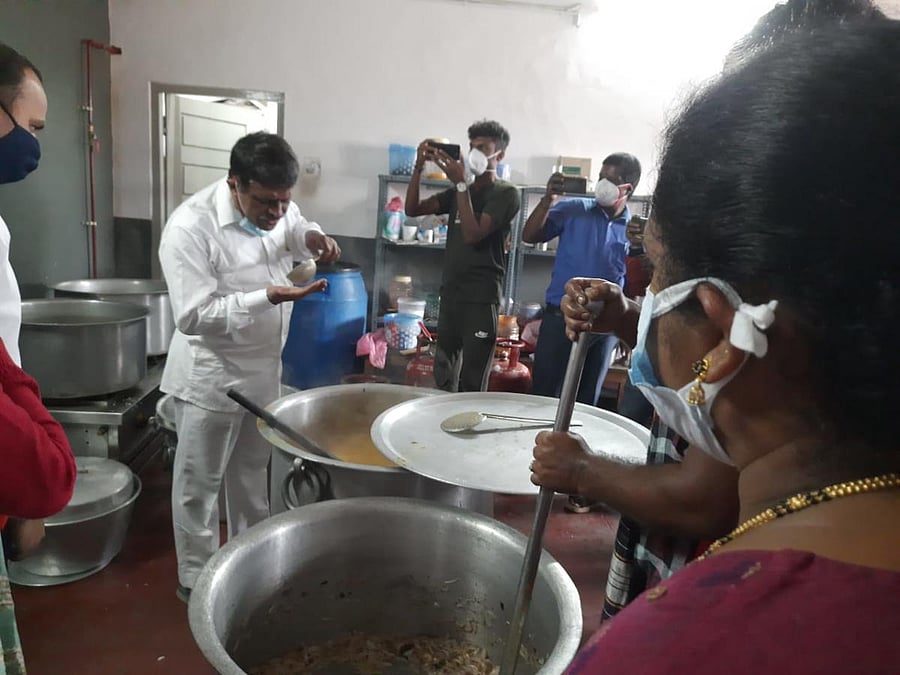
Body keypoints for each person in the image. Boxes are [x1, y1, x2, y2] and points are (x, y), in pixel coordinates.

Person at [557, 21, 900, 672]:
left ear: (725, 336)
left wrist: (579, 470)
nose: (646, 293)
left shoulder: (673, 649)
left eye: (655, 269)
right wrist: (633, 317)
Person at [159, 132, 341, 602]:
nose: (276, 212)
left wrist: (309, 236)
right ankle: (196, 582)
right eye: (265, 202)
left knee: (251, 473)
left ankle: (247, 565)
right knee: (199, 483)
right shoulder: (190, 229)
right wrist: (269, 296)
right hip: (211, 376)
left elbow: (295, 225)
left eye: (284, 201)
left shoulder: (280, 210)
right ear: (234, 183)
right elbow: (193, 316)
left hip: (261, 371)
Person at [523, 153, 641, 514]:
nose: (602, 183)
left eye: (612, 177)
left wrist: (626, 330)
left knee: (588, 403)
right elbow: (530, 236)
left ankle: (577, 483)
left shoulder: (635, 228)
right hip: (560, 318)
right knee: (544, 393)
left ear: (628, 188)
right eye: (601, 175)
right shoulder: (574, 208)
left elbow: (635, 283)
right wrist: (547, 199)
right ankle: (527, 471)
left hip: (603, 327)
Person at [405, 121, 520, 392]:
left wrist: (460, 184)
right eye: (471, 147)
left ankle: (469, 432)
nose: (474, 153)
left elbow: (473, 234)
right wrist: (419, 167)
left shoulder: (506, 194)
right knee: (443, 373)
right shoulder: (460, 191)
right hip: (452, 296)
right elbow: (412, 209)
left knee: (472, 378)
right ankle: (439, 430)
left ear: (499, 155)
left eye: (483, 148)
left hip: (481, 300)